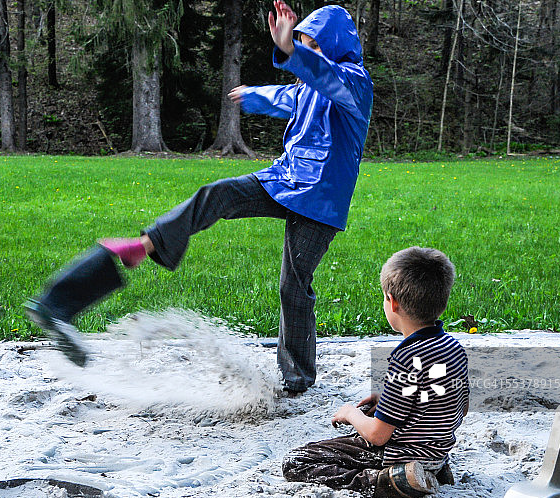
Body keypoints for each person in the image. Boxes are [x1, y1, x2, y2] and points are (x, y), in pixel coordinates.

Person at [25, 2, 373, 393]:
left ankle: (297, 380)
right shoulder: (309, 87)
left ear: (335, 45)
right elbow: (288, 98)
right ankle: (147, 244)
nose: (307, 50)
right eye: (303, 43)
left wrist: (292, 50)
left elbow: (326, 77)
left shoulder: (355, 83)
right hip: (284, 179)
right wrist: (254, 94)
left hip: (322, 199)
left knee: (294, 284)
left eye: (314, 44)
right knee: (217, 194)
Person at [282, 247, 469, 498]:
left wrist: (351, 413)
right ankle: (430, 471)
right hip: (437, 452)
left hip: (397, 454)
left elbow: (377, 435)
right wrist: (391, 400)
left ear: (392, 303)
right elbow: (459, 405)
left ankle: (386, 483)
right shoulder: (452, 347)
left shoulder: (406, 358)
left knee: (297, 461)